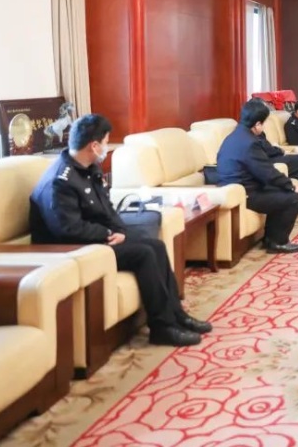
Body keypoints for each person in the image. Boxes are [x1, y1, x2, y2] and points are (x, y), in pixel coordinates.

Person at [29, 114, 210, 347]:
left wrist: (118, 229)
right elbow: (67, 229)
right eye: (105, 142)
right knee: (144, 253)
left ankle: (177, 315)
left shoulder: (88, 168)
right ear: (94, 146)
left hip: (96, 237)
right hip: (72, 248)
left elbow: (106, 207)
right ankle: (162, 327)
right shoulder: (60, 181)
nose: (107, 147)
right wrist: (106, 234)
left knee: (155, 245)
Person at [217, 100, 298, 256]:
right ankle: (277, 241)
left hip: (238, 188)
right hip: (245, 193)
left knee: (288, 186)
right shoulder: (250, 143)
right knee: (293, 198)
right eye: (263, 124)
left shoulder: (234, 137)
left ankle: (270, 238)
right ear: (257, 124)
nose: (263, 127)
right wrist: (292, 186)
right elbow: (267, 173)